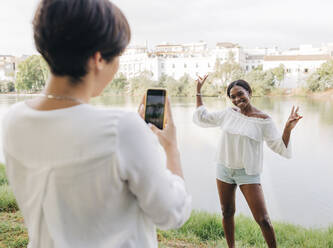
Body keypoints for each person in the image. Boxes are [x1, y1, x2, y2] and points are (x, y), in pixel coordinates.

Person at [2, 0, 191, 247]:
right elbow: (171, 214)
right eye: (118, 56)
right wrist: (171, 149)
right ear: (99, 58)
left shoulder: (14, 120)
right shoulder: (121, 128)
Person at [193, 75, 302, 248]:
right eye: (233, 97)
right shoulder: (228, 114)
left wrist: (288, 128)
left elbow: (280, 147)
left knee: (263, 219)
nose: (237, 99)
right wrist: (198, 91)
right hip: (224, 169)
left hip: (248, 173)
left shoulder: (263, 120)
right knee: (227, 212)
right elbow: (202, 118)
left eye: (240, 94)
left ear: (249, 93)